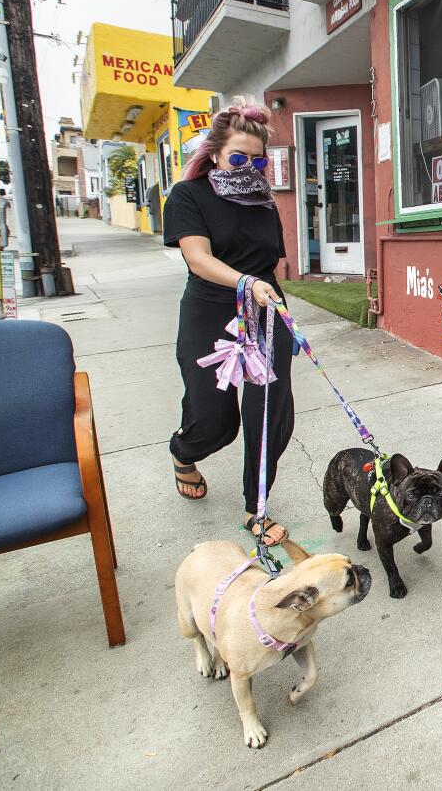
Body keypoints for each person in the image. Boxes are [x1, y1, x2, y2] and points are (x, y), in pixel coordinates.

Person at [163, 97, 292, 547]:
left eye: (258, 161)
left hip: (265, 311)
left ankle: (255, 508)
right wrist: (245, 283)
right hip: (211, 312)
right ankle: (185, 451)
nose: (249, 167)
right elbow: (198, 258)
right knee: (216, 421)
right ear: (215, 152)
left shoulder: (262, 201)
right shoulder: (188, 195)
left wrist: (275, 304)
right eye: (239, 157)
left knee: (269, 413)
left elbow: (270, 260)